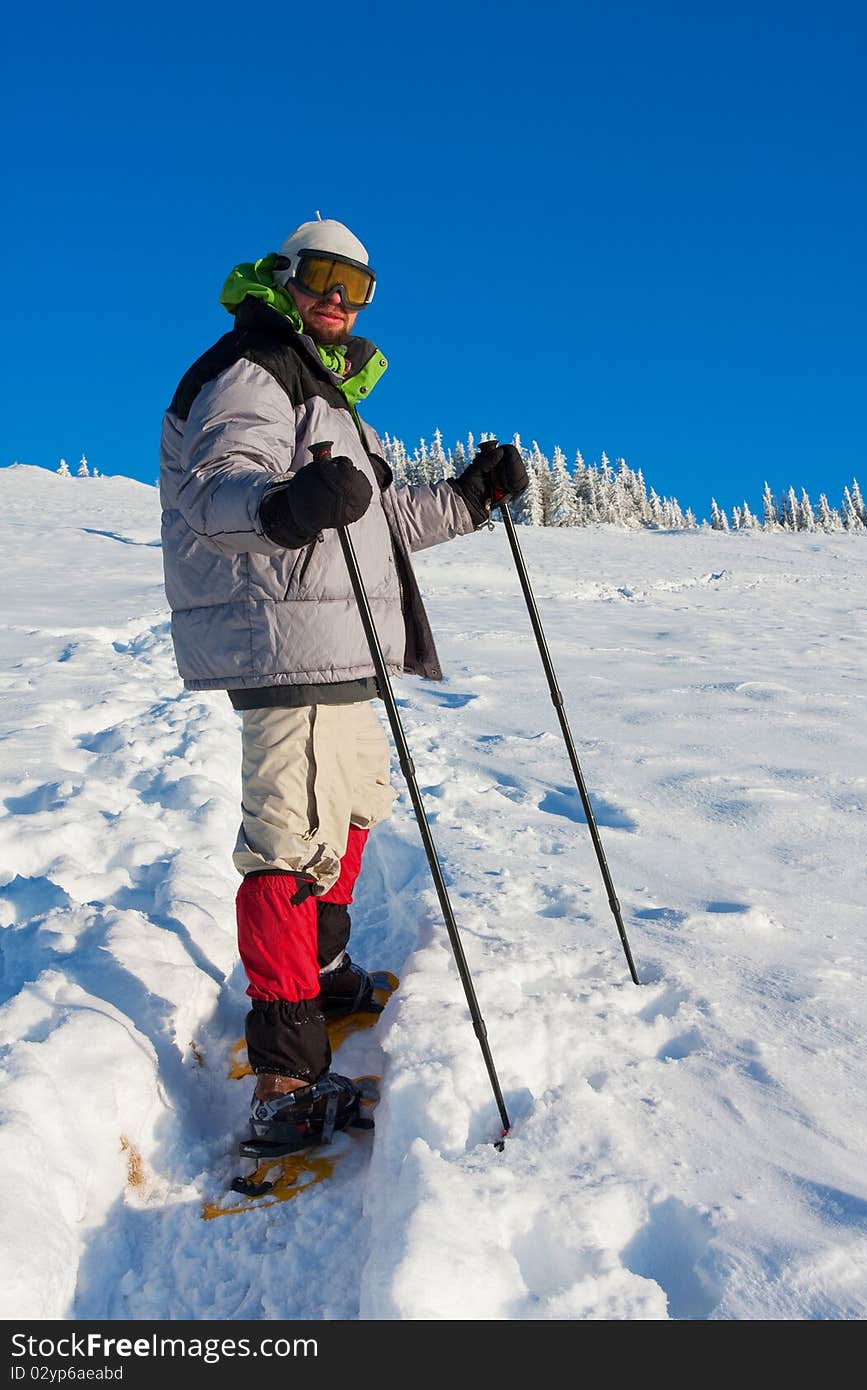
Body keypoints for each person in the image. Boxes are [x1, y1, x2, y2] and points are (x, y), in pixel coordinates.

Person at [159, 217, 527, 1150]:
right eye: (323, 276)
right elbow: (217, 487)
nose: (339, 298)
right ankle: (284, 1077)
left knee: (352, 814)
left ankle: (321, 976)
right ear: (284, 276)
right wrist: (282, 507)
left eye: (357, 287)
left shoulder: (324, 391)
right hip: (287, 647)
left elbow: (382, 517)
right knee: (287, 849)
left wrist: (473, 498)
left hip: (343, 651)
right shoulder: (256, 370)